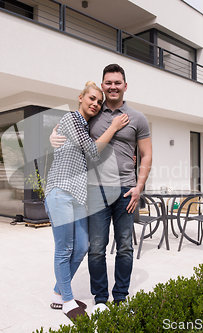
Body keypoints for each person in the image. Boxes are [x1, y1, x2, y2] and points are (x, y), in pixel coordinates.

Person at [50, 64, 152, 312]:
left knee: (125, 245)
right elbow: (71, 126)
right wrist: (52, 135)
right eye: (108, 83)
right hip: (95, 190)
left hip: (127, 189)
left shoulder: (138, 118)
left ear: (125, 86)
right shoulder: (94, 112)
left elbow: (146, 155)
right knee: (96, 247)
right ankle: (100, 299)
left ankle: (120, 297)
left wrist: (140, 187)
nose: (113, 87)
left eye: (118, 82)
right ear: (103, 85)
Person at [44, 81, 129, 322]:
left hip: (79, 196)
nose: (96, 103)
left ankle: (59, 292)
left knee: (82, 246)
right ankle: (67, 300)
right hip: (60, 190)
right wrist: (113, 127)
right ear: (80, 97)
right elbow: (92, 152)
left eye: (99, 102)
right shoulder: (71, 118)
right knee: (64, 248)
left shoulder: (84, 125)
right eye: (92, 98)